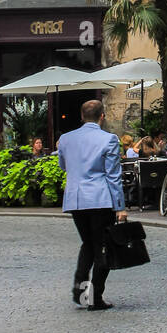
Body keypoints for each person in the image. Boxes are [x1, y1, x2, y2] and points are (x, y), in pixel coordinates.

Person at [59, 99, 127, 311]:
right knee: (102, 248)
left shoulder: (66, 139)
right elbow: (113, 176)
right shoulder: (109, 139)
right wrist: (120, 207)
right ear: (102, 116)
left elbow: (63, 166)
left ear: (81, 116)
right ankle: (95, 297)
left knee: (87, 243)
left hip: (76, 199)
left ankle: (80, 289)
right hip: (100, 198)